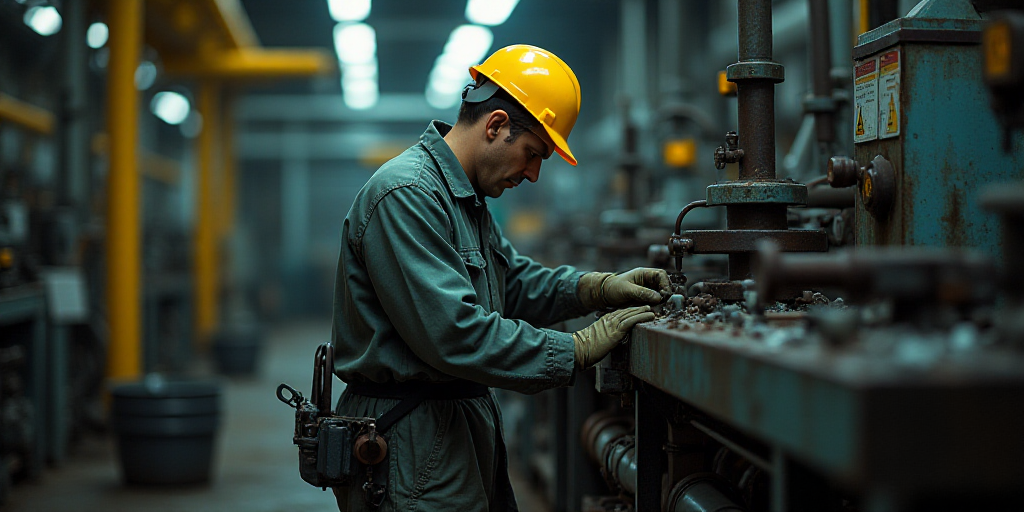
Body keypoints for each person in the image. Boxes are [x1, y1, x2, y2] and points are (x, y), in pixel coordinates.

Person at [330, 44, 670, 511]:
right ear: (495, 126)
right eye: (533, 154)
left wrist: (595, 288)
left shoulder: (464, 200)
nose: (532, 174)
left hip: (447, 424)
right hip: (407, 438)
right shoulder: (406, 195)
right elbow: (454, 332)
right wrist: (573, 349)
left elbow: (512, 284)